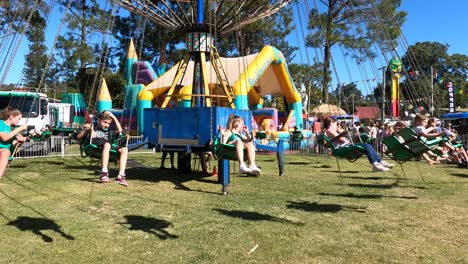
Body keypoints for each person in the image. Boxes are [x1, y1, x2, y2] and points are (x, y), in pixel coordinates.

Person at [77, 110, 129, 187]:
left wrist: (114, 117)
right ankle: (104, 172)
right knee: (107, 144)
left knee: (125, 149)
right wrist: (88, 130)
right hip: (96, 146)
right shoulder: (93, 127)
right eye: (105, 122)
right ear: (98, 120)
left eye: (108, 123)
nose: (107, 125)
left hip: (109, 147)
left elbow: (120, 131)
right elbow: (78, 136)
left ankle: (121, 176)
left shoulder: (109, 131)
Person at [322, 116, 394, 172]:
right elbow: (343, 140)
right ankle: (375, 164)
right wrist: (341, 133)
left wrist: (340, 132)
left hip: (345, 146)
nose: (337, 125)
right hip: (342, 149)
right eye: (336, 123)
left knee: (367, 145)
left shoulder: (331, 131)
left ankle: (380, 162)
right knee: (366, 145)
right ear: (331, 123)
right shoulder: (330, 131)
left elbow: (343, 138)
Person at [0, 107, 27, 179]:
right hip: (2, 151)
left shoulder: (12, 129)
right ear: (11, 117)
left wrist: (20, 142)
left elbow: (13, 144)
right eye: (19, 118)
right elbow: (4, 138)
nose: (19, 121)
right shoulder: (0, 124)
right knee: (5, 151)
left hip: (6, 155)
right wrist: (19, 129)